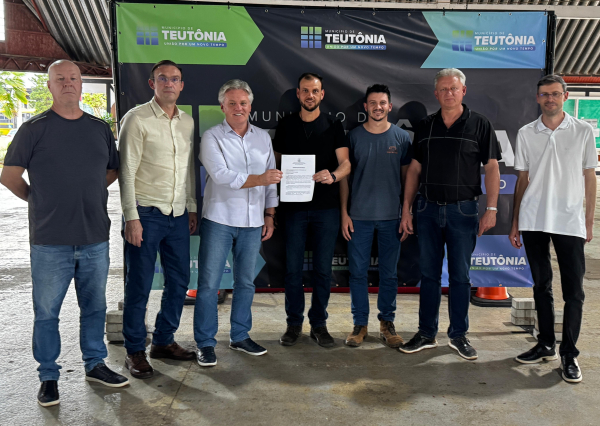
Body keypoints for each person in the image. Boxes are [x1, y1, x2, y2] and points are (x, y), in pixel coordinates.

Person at [0, 60, 128, 407]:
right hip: (50, 241)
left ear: (81, 84)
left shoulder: (99, 129)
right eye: (60, 79)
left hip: (94, 237)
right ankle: (48, 376)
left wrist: (86, 190)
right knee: (46, 313)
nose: (68, 83)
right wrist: (38, 199)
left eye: (73, 78)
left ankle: (95, 364)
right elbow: (9, 176)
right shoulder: (33, 129)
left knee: (94, 307)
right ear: (50, 86)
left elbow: (112, 170)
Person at [399, 68, 501, 360]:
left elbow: (492, 167)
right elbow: (415, 169)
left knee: (460, 276)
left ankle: (458, 335)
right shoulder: (425, 125)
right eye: (443, 89)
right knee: (429, 275)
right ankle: (426, 334)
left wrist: (491, 209)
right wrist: (406, 209)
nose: (448, 93)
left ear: (463, 91)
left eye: (454, 88)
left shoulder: (479, 124)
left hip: (463, 211)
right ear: (436, 93)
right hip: (427, 209)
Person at [509, 75, 597, 383]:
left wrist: (588, 220)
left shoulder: (583, 131)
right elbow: (522, 179)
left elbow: (590, 176)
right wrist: (515, 221)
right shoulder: (526, 133)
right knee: (541, 286)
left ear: (565, 96)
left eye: (556, 94)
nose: (550, 99)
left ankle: (569, 355)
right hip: (533, 219)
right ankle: (546, 343)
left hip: (569, 221)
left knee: (574, 292)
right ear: (537, 98)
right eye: (545, 94)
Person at [118, 60, 197, 379]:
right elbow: (126, 171)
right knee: (139, 285)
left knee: (179, 282)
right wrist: (131, 217)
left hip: (178, 214)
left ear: (182, 85)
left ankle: (163, 341)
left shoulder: (187, 121)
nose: (169, 84)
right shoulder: (136, 118)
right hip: (146, 214)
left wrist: (191, 205)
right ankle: (135, 350)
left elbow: (187, 168)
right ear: (152, 83)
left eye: (175, 79)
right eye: (162, 78)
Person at [195, 79, 280, 367]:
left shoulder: (263, 137)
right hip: (219, 219)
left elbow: (271, 181)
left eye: (243, 103)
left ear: (250, 106)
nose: (238, 108)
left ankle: (240, 336)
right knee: (209, 285)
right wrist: (260, 179)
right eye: (232, 103)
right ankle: (205, 343)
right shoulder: (211, 137)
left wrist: (270, 214)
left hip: (254, 221)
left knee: (245, 282)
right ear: (222, 107)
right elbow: (221, 176)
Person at [273, 72, 350, 348]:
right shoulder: (286, 125)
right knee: (293, 270)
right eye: (305, 90)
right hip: (292, 209)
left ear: (322, 94)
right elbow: (276, 163)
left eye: (314, 91)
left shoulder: (333, 124)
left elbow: (346, 164)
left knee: (322, 270)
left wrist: (333, 175)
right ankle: (293, 324)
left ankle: (319, 324)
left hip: (326, 209)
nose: (310, 95)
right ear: (298, 93)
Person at [340, 84, 412, 348]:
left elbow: (407, 180)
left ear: (389, 106)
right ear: (365, 106)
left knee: (389, 274)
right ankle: (360, 325)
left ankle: (387, 323)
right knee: (357, 274)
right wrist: (344, 213)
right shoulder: (354, 137)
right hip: (358, 217)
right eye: (373, 103)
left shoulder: (402, 138)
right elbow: (344, 178)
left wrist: (406, 213)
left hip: (392, 218)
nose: (378, 107)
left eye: (382, 103)